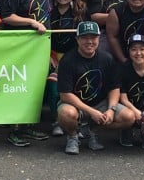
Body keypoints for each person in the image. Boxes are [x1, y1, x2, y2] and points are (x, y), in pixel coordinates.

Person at [56, 21, 134, 154]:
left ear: (99, 38)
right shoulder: (67, 60)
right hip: (76, 105)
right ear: (77, 39)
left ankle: (93, 131)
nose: (89, 42)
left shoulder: (107, 58)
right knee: (66, 113)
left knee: (129, 117)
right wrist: (92, 112)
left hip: (100, 103)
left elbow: (114, 88)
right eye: (84, 38)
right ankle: (73, 136)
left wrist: (111, 109)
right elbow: (65, 95)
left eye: (93, 37)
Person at [0, 0, 52, 146]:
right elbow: (6, 16)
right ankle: (14, 130)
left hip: (41, 48)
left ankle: (27, 126)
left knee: (34, 89)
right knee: (18, 87)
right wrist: (31, 22)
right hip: (20, 49)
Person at [44, 0, 84, 137]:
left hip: (72, 57)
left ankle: (78, 122)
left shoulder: (79, 13)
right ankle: (57, 120)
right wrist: (49, 55)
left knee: (75, 88)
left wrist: (68, 60)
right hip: (51, 56)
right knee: (54, 87)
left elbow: (82, 40)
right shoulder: (48, 12)